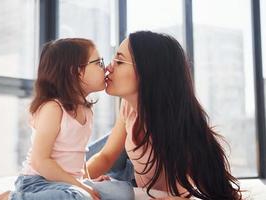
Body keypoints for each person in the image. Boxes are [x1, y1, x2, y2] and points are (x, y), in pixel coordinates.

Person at [86, 31, 243, 200]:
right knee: (70, 171)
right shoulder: (128, 108)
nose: (108, 67)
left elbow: (201, 193)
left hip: (149, 185)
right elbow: (106, 156)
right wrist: (77, 182)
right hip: (132, 174)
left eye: (119, 61)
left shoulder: (179, 128)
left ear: (147, 71)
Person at [0, 38, 134, 200]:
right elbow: (40, 161)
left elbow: (79, 155)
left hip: (68, 182)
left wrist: (87, 181)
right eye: (99, 63)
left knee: (123, 193)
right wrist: (80, 186)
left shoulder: (86, 111)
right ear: (75, 71)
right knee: (77, 197)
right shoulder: (53, 109)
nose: (106, 68)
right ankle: (12, 197)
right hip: (39, 182)